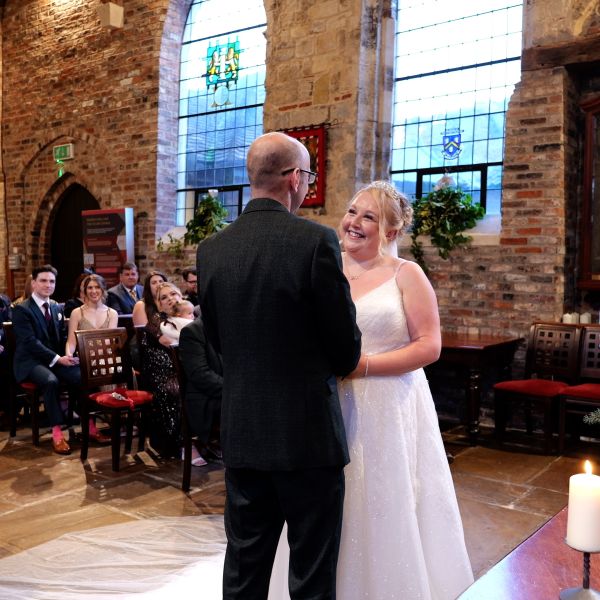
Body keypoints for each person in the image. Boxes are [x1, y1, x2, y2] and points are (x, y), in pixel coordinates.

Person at [270, 181, 474, 599]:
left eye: (369, 217)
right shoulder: (325, 265)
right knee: (326, 504)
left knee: (385, 499)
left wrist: (363, 366)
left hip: (388, 404)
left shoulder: (406, 274)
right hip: (330, 405)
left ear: (392, 232)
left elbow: (429, 346)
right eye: (351, 211)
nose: (354, 222)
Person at [197, 131, 361, 600]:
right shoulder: (315, 242)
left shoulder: (212, 249)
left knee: (244, 568)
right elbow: (345, 349)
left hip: (245, 431)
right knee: (311, 575)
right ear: (292, 179)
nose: (307, 184)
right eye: (307, 175)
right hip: (307, 437)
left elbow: (217, 342)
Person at [11, 265, 80, 455]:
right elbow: (30, 342)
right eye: (43, 280)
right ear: (33, 283)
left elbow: (64, 335)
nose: (48, 285)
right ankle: (57, 434)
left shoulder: (57, 306)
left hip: (54, 360)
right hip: (30, 362)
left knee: (81, 376)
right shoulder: (21, 310)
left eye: (52, 281)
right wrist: (58, 359)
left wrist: (70, 355)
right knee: (51, 381)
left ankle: (89, 425)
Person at [65, 274, 118, 444]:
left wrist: (100, 358)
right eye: (90, 288)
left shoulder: (112, 313)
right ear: (84, 290)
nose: (94, 291)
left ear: (103, 290)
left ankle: (115, 418)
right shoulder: (77, 312)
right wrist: (69, 354)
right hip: (83, 360)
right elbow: (71, 342)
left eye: (97, 287)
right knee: (86, 376)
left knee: (111, 371)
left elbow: (110, 344)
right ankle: (91, 426)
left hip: (103, 358)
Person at [138, 281, 184, 458]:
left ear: (180, 296)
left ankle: (203, 438)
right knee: (176, 390)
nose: (170, 299)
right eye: (164, 297)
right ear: (159, 304)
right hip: (161, 372)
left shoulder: (190, 315)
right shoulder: (157, 321)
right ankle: (181, 443)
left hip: (183, 367)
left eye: (173, 294)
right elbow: (172, 343)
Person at [179, 314, 223, 467]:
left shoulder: (235, 325)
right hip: (207, 397)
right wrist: (235, 391)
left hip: (230, 391)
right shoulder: (193, 331)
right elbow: (200, 375)